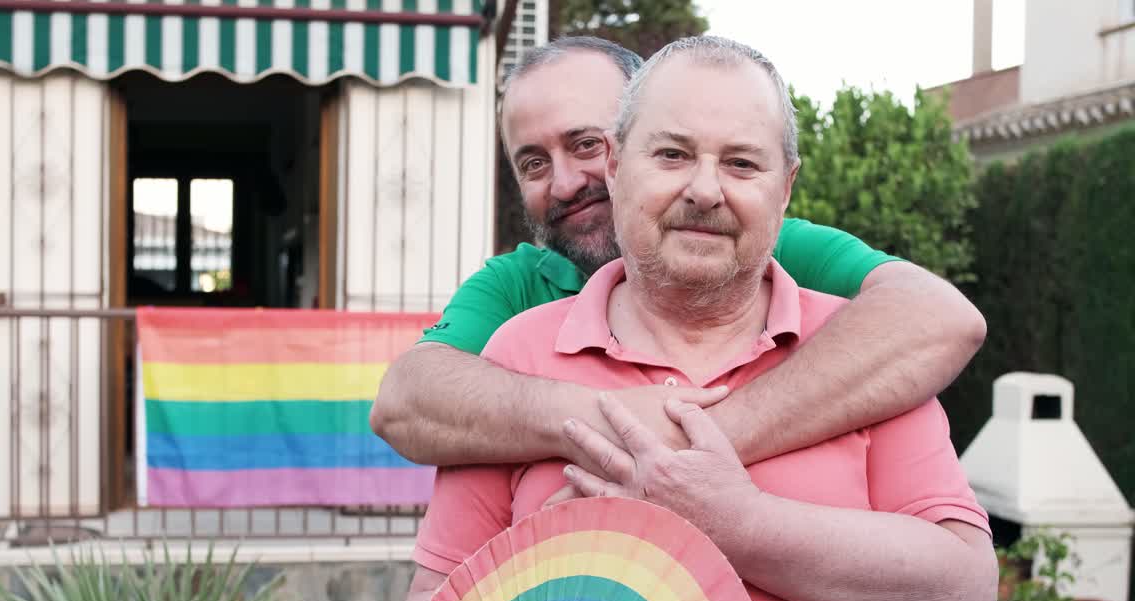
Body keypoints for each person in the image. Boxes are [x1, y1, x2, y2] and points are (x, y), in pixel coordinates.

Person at [401, 35, 998, 601]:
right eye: (673, 155)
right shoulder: (518, 349)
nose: (705, 190)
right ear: (620, 168)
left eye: (742, 163)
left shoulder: (862, 355)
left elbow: (964, 593)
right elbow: (435, 595)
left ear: (786, 187)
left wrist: (734, 522)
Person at [369, 36, 986, 479]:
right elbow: (405, 402)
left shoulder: (760, 247)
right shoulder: (517, 285)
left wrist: (690, 447)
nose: (563, 183)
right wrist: (614, 422)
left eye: (586, 144)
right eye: (533, 162)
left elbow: (941, 320)